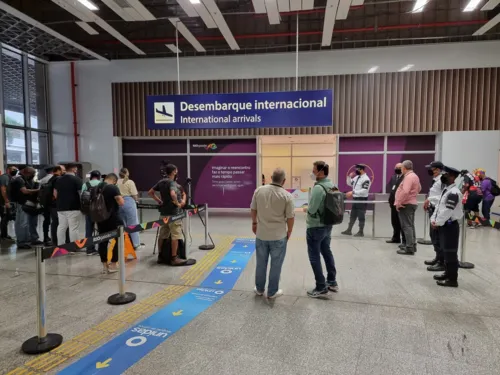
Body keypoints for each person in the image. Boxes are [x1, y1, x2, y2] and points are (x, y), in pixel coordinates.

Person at [250, 168, 294, 299]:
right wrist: (289, 231)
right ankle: (272, 292)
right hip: (279, 236)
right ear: (284, 181)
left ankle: (259, 289)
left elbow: (253, 209)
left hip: (261, 234)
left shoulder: (259, 190)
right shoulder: (287, 196)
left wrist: (254, 223)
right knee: (276, 264)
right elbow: (290, 217)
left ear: (271, 177)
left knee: (260, 263)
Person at [305, 161, 338, 298]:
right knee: (327, 252)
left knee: (314, 256)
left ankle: (320, 286)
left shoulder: (319, 188)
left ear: (321, 172)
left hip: (315, 226)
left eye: (314, 170)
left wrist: (307, 208)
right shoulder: (332, 185)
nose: (312, 173)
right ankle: (332, 281)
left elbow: (312, 209)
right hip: (327, 225)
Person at [148, 163, 187, 266]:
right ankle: (174, 258)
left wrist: (159, 201)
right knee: (175, 235)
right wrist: (178, 203)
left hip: (163, 213)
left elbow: (150, 192)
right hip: (174, 214)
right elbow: (173, 194)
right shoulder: (172, 183)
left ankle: (160, 256)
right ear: (174, 171)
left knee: (163, 234)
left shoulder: (161, 182)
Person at [430, 166, 463, 288]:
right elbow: (439, 208)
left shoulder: (454, 192)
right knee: (445, 250)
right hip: (444, 225)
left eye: (447, 174)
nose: (444, 176)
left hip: (450, 226)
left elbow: (448, 211)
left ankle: (452, 279)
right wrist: (434, 220)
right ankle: (447, 273)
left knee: (450, 253)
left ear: (453, 177)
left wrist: (437, 222)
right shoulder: (446, 190)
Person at [96, 173, 124, 274]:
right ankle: (113, 263)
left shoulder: (96, 187)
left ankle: (104, 265)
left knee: (102, 241)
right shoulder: (113, 188)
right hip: (113, 218)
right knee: (120, 238)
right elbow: (121, 202)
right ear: (114, 180)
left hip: (100, 218)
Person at [9, 167, 40, 249]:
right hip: (22, 204)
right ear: (27, 173)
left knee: (27, 222)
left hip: (26, 203)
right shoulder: (19, 180)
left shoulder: (25, 179)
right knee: (23, 223)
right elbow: (24, 191)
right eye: (32, 174)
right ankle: (22, 242)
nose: (33, 176)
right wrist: (38, 190)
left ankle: (29, 239)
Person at [395, 160, 422, 255]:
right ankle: (412, 245)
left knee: (406, 226)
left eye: (401, 168)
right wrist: (413, 195)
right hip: (411, 203)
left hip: (406, 204)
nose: (400, 170)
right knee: (410, 226)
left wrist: (399, 202)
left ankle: (409, 247)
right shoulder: (414, 176)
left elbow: (405, 191)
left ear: (404, 168)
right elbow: (419, 188)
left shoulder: (409, 177)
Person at [423, 161, 445, 272]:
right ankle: (438, 258)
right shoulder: (435, 180)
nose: (430, 170)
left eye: (432, 168)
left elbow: (443, 197)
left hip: (438, 211)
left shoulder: (442, 181)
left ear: (437, 170)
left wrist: (429, 199)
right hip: (433, 209)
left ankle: (442, 262)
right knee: (433, 236)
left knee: (437, 236)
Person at [54, 163, 83, 246]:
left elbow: (55, 193)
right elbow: (81, 194)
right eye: (76, 169)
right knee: (73, 228)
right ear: (73, 169)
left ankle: (61, 245)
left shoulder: (58, 179)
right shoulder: (77, 179)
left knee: (62, 227)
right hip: (73, 207)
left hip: (60, 207)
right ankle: (74, 246)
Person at [117, 168, 143, 251]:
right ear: (127, 173)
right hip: (129, 202)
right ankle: (136, 244)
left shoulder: (116, 182)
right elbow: (134, 195)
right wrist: (137, 200)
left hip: (118, 202)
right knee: (133, 224)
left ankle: (124, 244)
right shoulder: (130, 182)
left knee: (122, 225)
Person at [342, 164, 371, 237]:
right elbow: (349, 183)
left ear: (361, 170)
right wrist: (349, 177)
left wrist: (353, 192)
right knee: (353, 215)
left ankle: (361, 231)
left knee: (361, 216)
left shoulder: (366, 179)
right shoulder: (357, 177)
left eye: (357, 169)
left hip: (361, 199)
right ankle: (349, 230)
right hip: (355, 199)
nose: (355, 171)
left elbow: (364, 190)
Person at [46, 165, 68, 246]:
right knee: (61, 224)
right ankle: (59, 242)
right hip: (56, 204)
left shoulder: (51, 179)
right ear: (58, 170)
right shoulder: (58, 179)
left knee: (55, 223)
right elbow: (55, 192)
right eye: (63, 170)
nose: (65, 171)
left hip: (51, 204)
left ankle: (54, 241)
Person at [81, 170, 101, 255]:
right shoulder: (101, 184)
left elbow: (82, 196)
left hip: (88, 210)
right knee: (101, 229)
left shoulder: (85, 184)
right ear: (99, 176)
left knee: (89, 229)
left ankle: (89, 249)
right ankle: (101, 248)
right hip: (100, 210)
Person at [387, 162, 405, 245]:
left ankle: (405, 241)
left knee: (402, 223)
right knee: (394, 222)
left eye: (399, 167)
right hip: (393, 203)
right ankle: (396, 238)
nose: (397, 169)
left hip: (401, 203)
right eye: (396, 167)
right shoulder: (393, 177)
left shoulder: (405, 177)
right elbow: (392, 189)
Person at [0, 165, 18, 241]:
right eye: (13, 169)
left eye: (16, 169)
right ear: (8, 170)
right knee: (5, 217)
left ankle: (4, 235)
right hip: (2, 202)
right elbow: (3, 189)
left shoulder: (8, 177)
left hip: (3, 201)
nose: (15, 171)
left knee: (6, 218)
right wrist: (6, 200)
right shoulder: (5, 177)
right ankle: (4, 236)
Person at [39, 165, 55, 245]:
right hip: (53, 203)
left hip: (45, 203)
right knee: (55, 221)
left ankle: (45, 237)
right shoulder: (54, 179)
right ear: (53, 171)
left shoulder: (42, 180)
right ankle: (54, 237)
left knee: (46, 220)